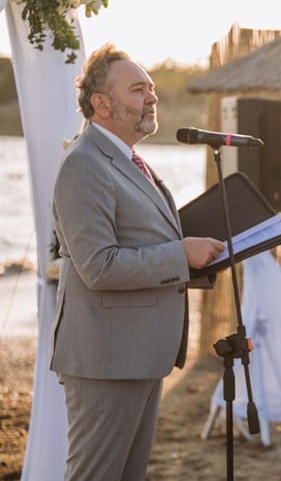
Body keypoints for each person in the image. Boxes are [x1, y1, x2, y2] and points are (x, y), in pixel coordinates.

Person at [50, 43, 224, 480]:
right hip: (106, 359)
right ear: (101, 103)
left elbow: (146, 240)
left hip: (141, 354)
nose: (152, 97)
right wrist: (181, 255)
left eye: (151, 88)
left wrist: (198, 260)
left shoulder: (130, 161)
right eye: (138, 89)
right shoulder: (84, 164)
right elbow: (99, 266)